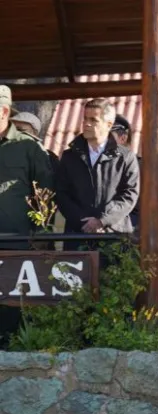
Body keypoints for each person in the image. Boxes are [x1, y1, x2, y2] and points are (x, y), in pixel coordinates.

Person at [0, 85, 55, 343]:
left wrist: (42, 234)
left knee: (15, 304)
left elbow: (46, 194)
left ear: (3, 111)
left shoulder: (29, 148)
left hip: (17, 242)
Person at [54, 98, 139, 251]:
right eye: (85, 118)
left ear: (108, 125)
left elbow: (129, 194)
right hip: (77, 235)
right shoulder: (69, 156)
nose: (86, 123)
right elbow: (62, 194)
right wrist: (84, 222)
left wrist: (102, 220)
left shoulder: (126, 157)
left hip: (114, 237)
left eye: (93, 120)